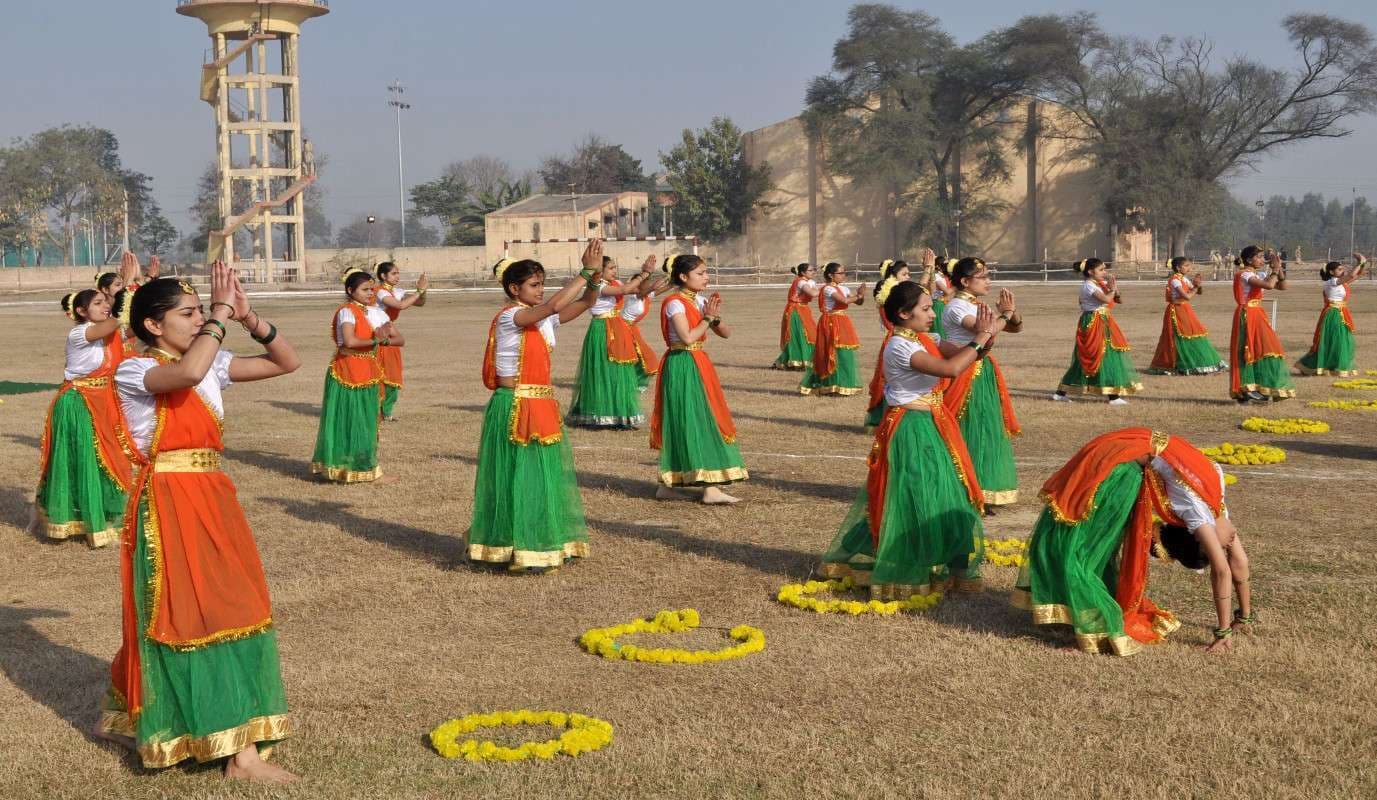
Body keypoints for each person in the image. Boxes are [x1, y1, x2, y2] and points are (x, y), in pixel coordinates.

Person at [99, 264, 303, 781]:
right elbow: (186, 375)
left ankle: (236, 738)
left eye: (197, 313)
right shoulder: (135, 369)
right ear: (152, 326)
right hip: (168, 499)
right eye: (185, 314)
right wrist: (217, 316)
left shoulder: (212, 361)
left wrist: (249, 315)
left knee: (237, 600)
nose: (197, 322)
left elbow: (287, 362)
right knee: (188, 612)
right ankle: (236, 751)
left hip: (213, 494)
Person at [819, 281, 994, 598]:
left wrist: (991, 329)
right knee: (912, 495)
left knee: (948, 491)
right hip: (910, 427)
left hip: (932, 423)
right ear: (902, 313)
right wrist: (979, 337)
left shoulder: (924, 338)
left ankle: (947, 563)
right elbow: (951, 368)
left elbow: (973, 355)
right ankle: (896, 560)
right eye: (925, 309)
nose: (932, 314)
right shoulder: (900, 346)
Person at [1014, 428, 1254, 656]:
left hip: (1119, 449)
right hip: (1116, 463)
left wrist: (1243, 618)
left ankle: (1092, 615)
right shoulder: (1196, 513)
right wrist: (1223, 632)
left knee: (1079, 550)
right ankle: (1096, 626)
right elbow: (1223, 570)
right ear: (1199, 538)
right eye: (1217, 549)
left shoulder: (1216, 498)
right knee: (1075, 549)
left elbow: (1238, 560)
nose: (1223, 548)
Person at [468, 242, 604, 571]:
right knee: (516, 476)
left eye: (542, 283)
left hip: (540, 404)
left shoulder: (542, 320)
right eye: (534, 284)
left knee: (541, 477)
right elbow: (558, 303)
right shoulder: (512, 316)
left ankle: (539, 542)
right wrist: (584, 271)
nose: (541, 290)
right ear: (514, 288)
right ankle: (513, 545)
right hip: (514, 404)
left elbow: (586, 302)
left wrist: (595, 279)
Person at [32, 289, 133, 547]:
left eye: (105, 302)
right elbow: (116, 320)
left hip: (103, 402)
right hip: (79, 403)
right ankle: (77, 522)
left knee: (108, 460)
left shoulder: (109, 333)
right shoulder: (80, 333)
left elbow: (132, 328)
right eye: (97, 304)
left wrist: (138, 287)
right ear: (81, 311)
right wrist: (126, 290)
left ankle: (105, 515)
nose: (104, 307)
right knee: (84, 458)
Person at [651, 254, 748, 504]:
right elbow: (687, 337)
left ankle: (672, 484)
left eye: (706, 273)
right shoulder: (674, 303)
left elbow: (726, 333)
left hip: (698, 363)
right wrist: (706, 318)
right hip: (683, 363)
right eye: (701, 273)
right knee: (690, 419)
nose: (706, 277)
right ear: (683, 277)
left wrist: (714, 316)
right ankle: (707, 488)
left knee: (697, 417)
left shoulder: (700, 301)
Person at [942, 257, 1023, 510]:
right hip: (965, 371)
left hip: (981, 370)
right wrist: (1005, 315)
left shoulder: (975, 304)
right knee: (969, 429)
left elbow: (1013, 329)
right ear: (965, 281)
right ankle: (963, 489)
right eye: (983, 277)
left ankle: (980, 488)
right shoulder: (956, 307)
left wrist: (1011, 312)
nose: (988, 281)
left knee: (986, 429)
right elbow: (985, 331)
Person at [310, 269, 402, 482]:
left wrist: (384, 339)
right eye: (365, 290)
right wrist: (377, 340)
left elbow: (400, 340)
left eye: (371, 289)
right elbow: (350, 342)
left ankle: (364, 467)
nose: (370, 293)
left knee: (369, 421)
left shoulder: (376, 312)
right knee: (348, 419)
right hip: (347, 371)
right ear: (350, 291)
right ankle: (342, 467)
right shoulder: (347, 311)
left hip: (369, 371)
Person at [568, 254, 658, 429]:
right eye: (611, 268)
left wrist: (648, 275)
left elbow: (639, 291)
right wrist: (643, 274)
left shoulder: (613, 284)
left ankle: (619, 414)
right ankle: (600, 415)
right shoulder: (598, 286)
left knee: (620, 372)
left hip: (617, 327)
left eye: (615, 267)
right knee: (605, 371)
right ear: (599, 271)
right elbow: (625, 291)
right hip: (602, 329)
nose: (615, 271)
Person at [1052, 258, 1141, 404]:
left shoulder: (1099, 284)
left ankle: (1061, 393)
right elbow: (1106, 299)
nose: (1104, 272)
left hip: (1103, 320)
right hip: (1093, 321)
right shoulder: (1088, 286)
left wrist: (1115, 289)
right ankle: (1112, 396)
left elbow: (1118, 300)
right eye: (1101, 270)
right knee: (1098, 355)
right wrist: (1111, 290)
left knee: (1102, 355)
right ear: (1090, 272)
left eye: (1104, 269)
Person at [1229, 246, 1294, 403]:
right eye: (1258, 257)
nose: (1262, 259)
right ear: (1249, 260)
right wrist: (1274, 270)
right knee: (1248, 349)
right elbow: (1270, 285)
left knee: (1265, 348)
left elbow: (1283, 286)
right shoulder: (1244, 274)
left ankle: (1261, 386)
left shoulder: (1259, 274)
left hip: (1257, 313)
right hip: (1247, 314)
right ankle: (1247, 389)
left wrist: (1279, 270)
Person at [1147, 257, 1226, 375]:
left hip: (1185, 309)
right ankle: (1178, 364)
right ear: (1178, 267)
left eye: (1189, 265)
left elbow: (1198, 292)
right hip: (1177, 310)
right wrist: (1195, 287)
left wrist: (1198, 284)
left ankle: (1191, 363)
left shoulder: (1183, 279)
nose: (1189, 268)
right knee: (1179, 335)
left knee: (1192, 333)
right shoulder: (1175, 280)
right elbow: (1187, 296)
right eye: (1186, 265)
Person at [373, 261, 429, 421]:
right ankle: (374, 411)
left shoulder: (397, 291)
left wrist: (422, 291)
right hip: (378, 333)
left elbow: (420, 302)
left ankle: (387, 412)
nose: (398, 277)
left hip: (392, 335)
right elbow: (400, 305)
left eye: (398, 273)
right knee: (377, 375)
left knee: (393, 374)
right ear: (383, 276)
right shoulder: (379, 292)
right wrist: (419, 290)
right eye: (394, 273)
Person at [800, 262, 865, 396]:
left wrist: (860, 295)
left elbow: (857, 302)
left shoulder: (844, 288)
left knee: (844, 351)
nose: (843, 275)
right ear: (830, 275)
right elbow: (844, 301)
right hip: (830, 321)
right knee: (831, 351)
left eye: (843, 273)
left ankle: (843, 384)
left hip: (842, 320)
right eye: (840, 273)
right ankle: (831, 384)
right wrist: (857, 296)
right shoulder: (828, 289)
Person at [864, 257, 915, 428]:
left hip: (898, 336)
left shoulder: (895, 289)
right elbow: (890, 321)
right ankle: (888, 417)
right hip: (896, 337)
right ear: (894, 275)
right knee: (893, 378)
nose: (908, 277)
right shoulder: (891, 292)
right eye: (905, 274)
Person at [1297, 254, 1366, 376]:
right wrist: (1360, 263)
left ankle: (1335, 366)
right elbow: (1351, 275)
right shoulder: (1332, 282)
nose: (1342, 270)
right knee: (1336, 340)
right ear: (1331, 272)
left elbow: (1358, 274)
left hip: (1341, 313)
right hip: (1333, 313)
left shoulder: (1341, 283)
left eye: (1341, 268)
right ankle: (1318, 366)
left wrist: (1362, 264)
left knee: (1342, 340)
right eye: (1339, 269)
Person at [619, 260, 667, 391]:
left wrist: (671, 275)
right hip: (622, 328)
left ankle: (634, 383)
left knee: (643, 357)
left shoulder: (646, 296)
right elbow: (650, 289)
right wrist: (648, 276)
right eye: (644, 282)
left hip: (631, 329)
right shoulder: (635, 295)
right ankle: (630, 383)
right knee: (636, 357)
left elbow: (666, 287)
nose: (647, 284)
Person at [774, 263, 821, 371]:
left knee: (809, 335)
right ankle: (793, 362)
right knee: (798, 336)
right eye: (810, 270)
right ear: (803, 273)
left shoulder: (809, 282)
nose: (813, 272)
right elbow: (812, 293)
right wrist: (826, 288)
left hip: (804, 309)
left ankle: (806, 361)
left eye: (813, 270)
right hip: (795, 310)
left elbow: (814, 290)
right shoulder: (800, 282)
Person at [926, 257, 954, 337]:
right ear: (938, 266)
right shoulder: (936, 276)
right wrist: (957, 285)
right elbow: (947, 291)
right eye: (945, 264)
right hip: (938, 305)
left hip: (945, 304)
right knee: (940, 331)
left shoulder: (945, 276)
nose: (947, 266)